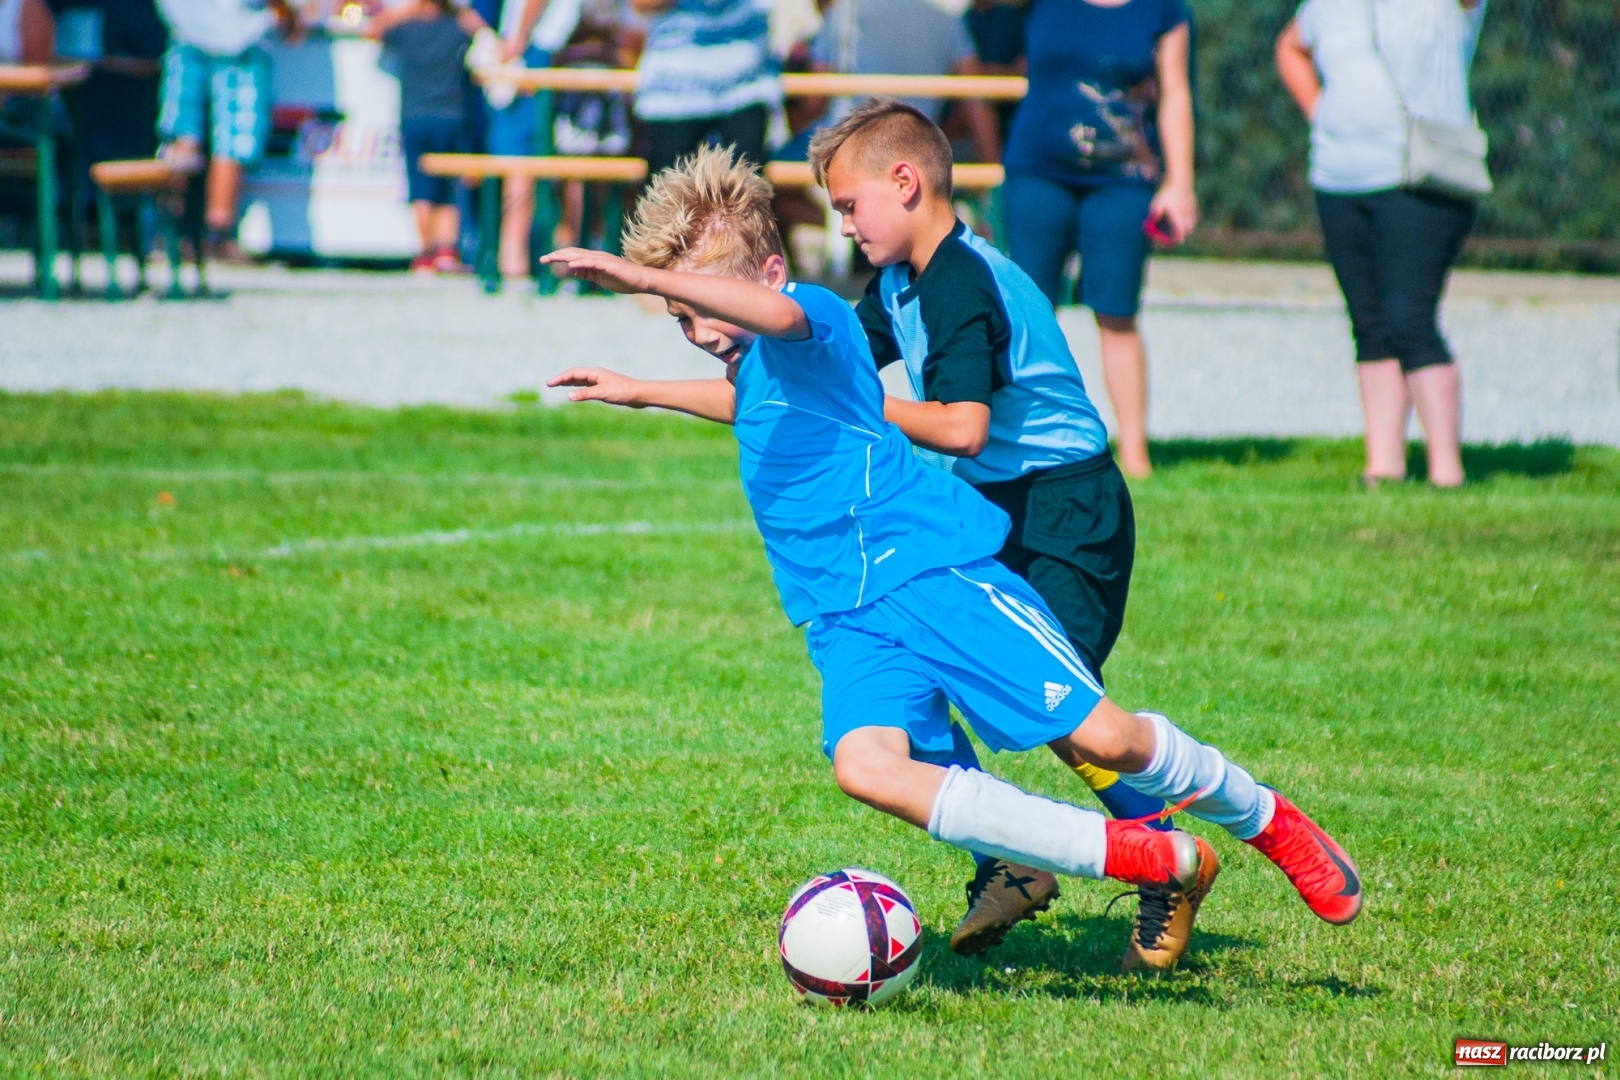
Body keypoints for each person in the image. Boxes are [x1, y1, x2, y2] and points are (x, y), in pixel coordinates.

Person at [541, 146, 1364, 969]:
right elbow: (753, 403)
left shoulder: (815, 317)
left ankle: (1266, 819)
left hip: (934, 575)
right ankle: (1129, 858)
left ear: (769, 272)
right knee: (866, 766)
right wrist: (642, 388)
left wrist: (650, 279)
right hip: (844, 617)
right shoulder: (758, 365)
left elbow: (780, 322)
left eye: (702, 308)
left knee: (1107, 739)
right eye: (682, 322)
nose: (697, 331)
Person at [807, 99, 1200, 969]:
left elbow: (961, 427)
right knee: (926, 668)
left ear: (904, 183)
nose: (843, 226)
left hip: (1066, 513)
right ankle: (1010, 863)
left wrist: (858, 405)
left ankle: (1162, 858)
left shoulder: (956, 279)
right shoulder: (901, 282)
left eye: (848, 206)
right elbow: (830, 357)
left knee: (1060, 710)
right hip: (989, 511)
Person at [1276, 0, 1485, 488]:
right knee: (1369, 323)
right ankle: (1383, 467)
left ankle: (1446, 472)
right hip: (1338, 177)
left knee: (1409, 318)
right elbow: (1289, 47)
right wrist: (1321, 112)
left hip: (1418, 177)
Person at [1000, 0, 1197, 479]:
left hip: (1123, 181)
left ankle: (1135, 457)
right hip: (1038, 174)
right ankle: (1027, 444)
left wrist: (1181, 183)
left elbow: (1175, 94)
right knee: (1027, 314)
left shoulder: (1164, 10)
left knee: (1118, 313)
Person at [154, 0, 301, 259]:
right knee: (233, 135)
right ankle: (217, 235)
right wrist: (290, 15)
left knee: (182, 134)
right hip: (239, 34)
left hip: (185, 26)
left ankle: (168, 232)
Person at [369, 0, 488, 274]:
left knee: (421, 188)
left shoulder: (406, 27)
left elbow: (372, 30)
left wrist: (408, 10)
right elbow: (484, 33)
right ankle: (447, 250)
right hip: (452, 116)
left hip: (415, 116)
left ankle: (425, 252)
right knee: (449, 187)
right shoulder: (457, 27)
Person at [630, 0, 779, 176]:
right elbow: (641, 4)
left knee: (745, 193)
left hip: (746, 86)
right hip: (672, 92)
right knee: (669, 194)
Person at [488, 0, 582, 276]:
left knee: (519, 158)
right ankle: (562, 257)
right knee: (562, 156)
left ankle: (514, 259)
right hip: (552, 48)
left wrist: (517, 38)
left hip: (535, 50)